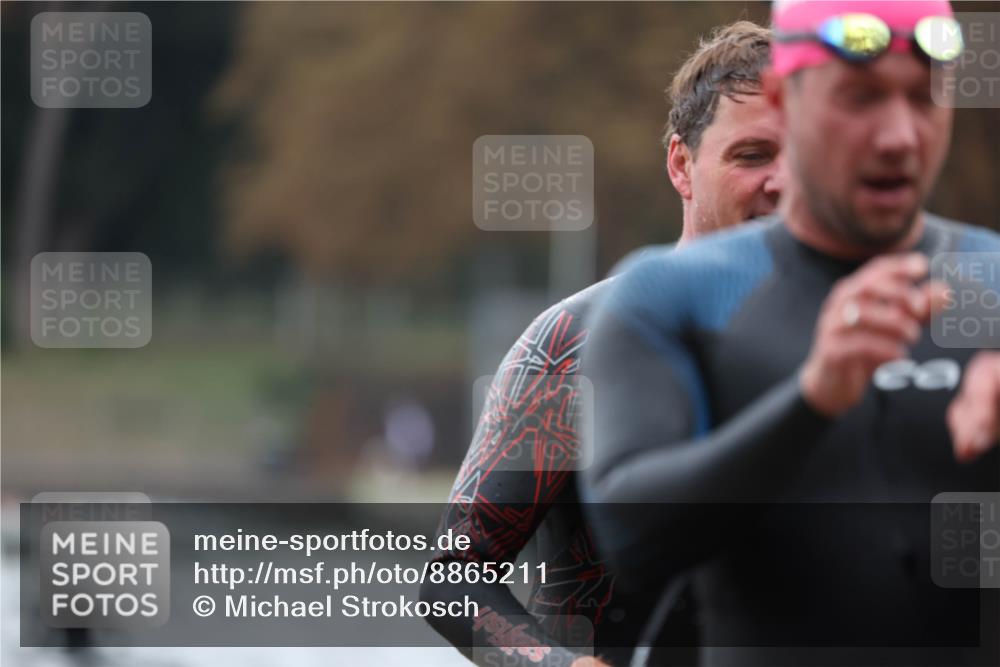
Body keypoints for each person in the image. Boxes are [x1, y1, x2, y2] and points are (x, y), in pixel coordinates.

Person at [579, 1, 999, 666]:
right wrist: (813, 398)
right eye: (859, 99)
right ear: (784, 98)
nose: (898, 135)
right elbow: (632, 538)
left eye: (924, 99)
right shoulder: (671, 295)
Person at [420, 20, 782, 667]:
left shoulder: (871, 342)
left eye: (799, 159)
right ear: (681, 164)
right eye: (751, 156)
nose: (779, 184)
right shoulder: (574, 344)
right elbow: (452, 580)